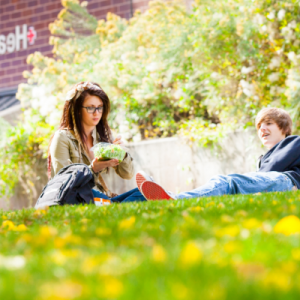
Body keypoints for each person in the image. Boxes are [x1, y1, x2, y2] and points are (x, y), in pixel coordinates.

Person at [136, 107, 300, 201]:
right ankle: (116, 200)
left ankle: (176, 198)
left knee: (227, 182)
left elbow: (271, 171)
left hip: (287, 180)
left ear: (284, 129)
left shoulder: (294, 142)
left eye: (269, 124)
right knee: (229, 185)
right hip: (280, 183)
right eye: (259, 126)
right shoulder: (264, 158)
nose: (262, 129)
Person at [49, 81, 146, 203]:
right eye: (90, 108)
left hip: (101, 197)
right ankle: (113, 206)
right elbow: (64, 184)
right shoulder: (62, 138)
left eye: (100, 107)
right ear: (77, 109)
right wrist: (93, 169)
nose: (97, 113)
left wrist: (122, 153)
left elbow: (127, 174)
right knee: (98, 195)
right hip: (78, 199)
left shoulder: (104, 136)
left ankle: (111, 206)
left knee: (144, 192)